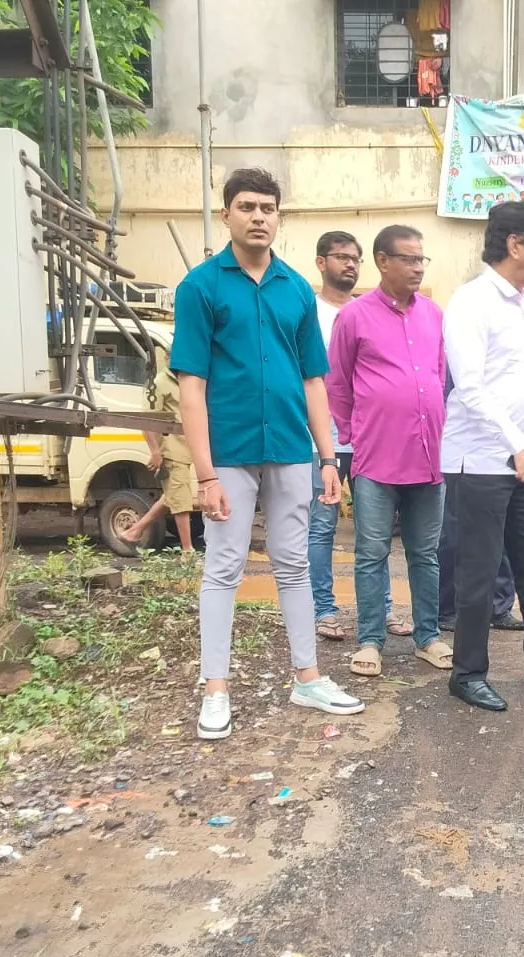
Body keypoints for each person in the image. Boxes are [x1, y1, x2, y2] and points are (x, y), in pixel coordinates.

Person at [173, 168, 365, 740]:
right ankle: (215, 690)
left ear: (279, 216)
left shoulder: (295, 290)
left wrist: (328, 459)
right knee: (224, 567)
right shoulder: (201, 287)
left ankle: (308, 678)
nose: (258, 216)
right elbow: (191, 387)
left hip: (289, 447)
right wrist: (204, 475)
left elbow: (313, 381)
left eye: (267, 207)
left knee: (294, 563)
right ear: (227, 214)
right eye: (246, 206)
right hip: (229, 452)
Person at [442, 201, 524, 712]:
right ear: (515, 244)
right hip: (482, 462)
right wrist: (519, 445)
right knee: (478, 573)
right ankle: (468, 673)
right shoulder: (472, 302)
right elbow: (470, 387)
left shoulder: (523, 304)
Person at [327, 224, 452, 680]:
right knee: (371, 553)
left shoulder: (434, 315)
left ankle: (427, 637)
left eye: (422, 260)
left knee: (426, 553)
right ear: (383, 261)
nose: (418, 268)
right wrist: (354, 434)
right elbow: (337, 384)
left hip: (428, 458)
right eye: (409, 259)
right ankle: (370, 640)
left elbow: (440, 376)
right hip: (376, 459)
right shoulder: (354, 317)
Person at [309, 231, 402, 645]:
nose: (350, 264)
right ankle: (324, 610)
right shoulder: (308, 311)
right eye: (341, 257)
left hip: (368, 440)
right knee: (321, 528)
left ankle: (381, 609)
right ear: (321, 262)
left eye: (356, 258)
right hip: (320, 440)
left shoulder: (370, 311)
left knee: (373, 532)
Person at [120, 348, 196, 554]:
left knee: (173, 495)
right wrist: (155, 451)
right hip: (171, 448)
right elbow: (147, 421)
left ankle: (134, 532)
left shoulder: (185, 380)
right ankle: (187, 551)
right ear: (167, 358)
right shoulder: (160, 382)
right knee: (180, 500)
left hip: (187, 447)